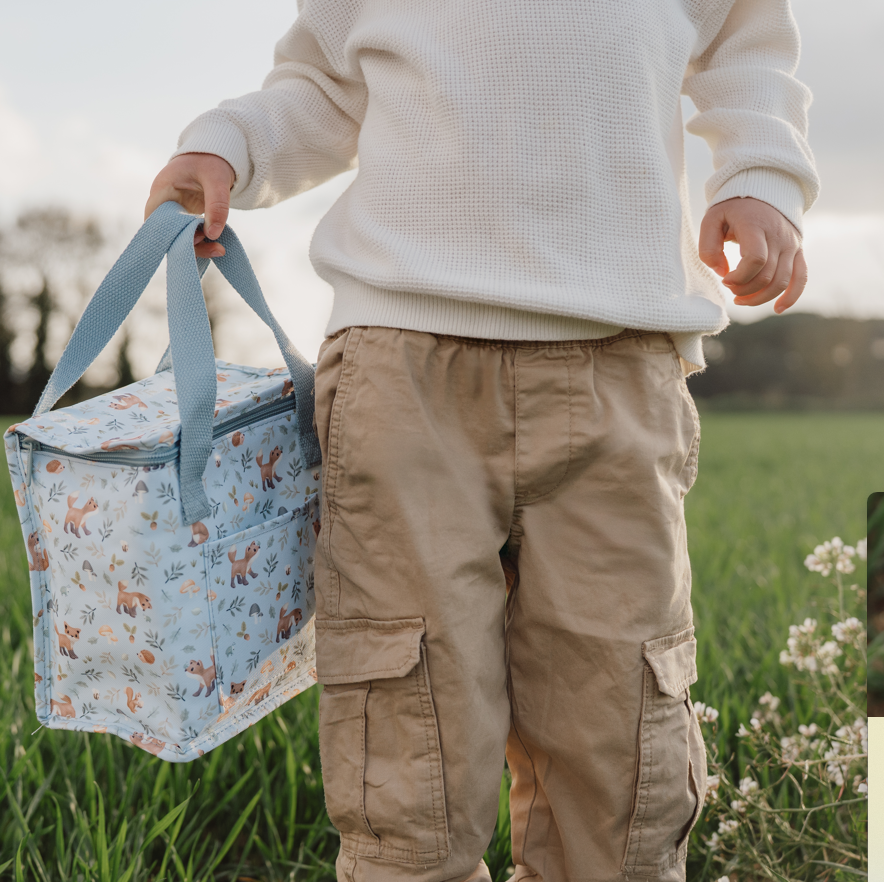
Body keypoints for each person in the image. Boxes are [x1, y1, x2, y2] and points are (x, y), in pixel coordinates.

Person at [144, 1, 818, 879]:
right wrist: (228, 143)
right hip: (403, 368)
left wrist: (759, 180)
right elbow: (319, 84)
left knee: (617, 727)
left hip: (618, 361)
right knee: (409, 720)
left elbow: (746, 49)